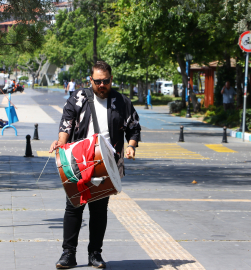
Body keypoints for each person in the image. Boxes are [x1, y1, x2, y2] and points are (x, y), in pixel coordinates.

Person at [49, 61, 141, 269]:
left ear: (111, 79)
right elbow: (67, 123)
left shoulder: (121, 101)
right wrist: (61, 143)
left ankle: (95, 254)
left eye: (106, 81)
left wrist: (132, 146)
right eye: (98, 81)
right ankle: (68, 254)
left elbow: (134, 127)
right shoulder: (79, 98)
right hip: (79, 163)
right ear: (90, 80)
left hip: (105, 165)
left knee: (99, 210)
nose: (102, 85)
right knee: (74, 206)